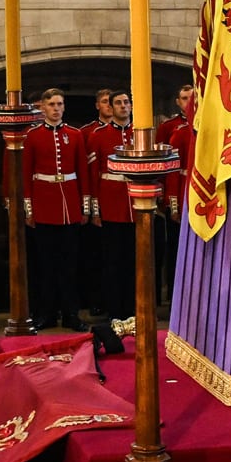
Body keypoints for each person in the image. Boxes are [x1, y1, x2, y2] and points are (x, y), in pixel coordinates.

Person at [21, 87, 92, 330]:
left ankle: (71, 314)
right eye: (52, 104)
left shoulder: (74, 134)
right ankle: (46, 314)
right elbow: (27, 174)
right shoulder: (33, 135)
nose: (56, 108)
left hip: (70, 206)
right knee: (46, 266)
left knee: (69, 267)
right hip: (44, 205)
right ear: (43, 107)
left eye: (60, 104)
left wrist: (85, 207)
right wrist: (29, 209)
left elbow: (82, 170)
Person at [85, 92, 139, 326]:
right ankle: (114, 309)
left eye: (126, 102)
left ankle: (134, 307)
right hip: (111, 204)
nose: (123, 106)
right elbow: (93, 175)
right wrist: (95, 210)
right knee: (112, 262)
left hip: (136, 205)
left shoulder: (141, 133)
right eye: (118, 103)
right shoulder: (99, 136)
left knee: (134, 261)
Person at [156, 82, 198, 309]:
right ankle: (174, 294)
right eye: (184, 98)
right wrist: (172, 203)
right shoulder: (177, 130)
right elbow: (170, 169)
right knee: (175, 249)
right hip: (181, 192)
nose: (188, 103)